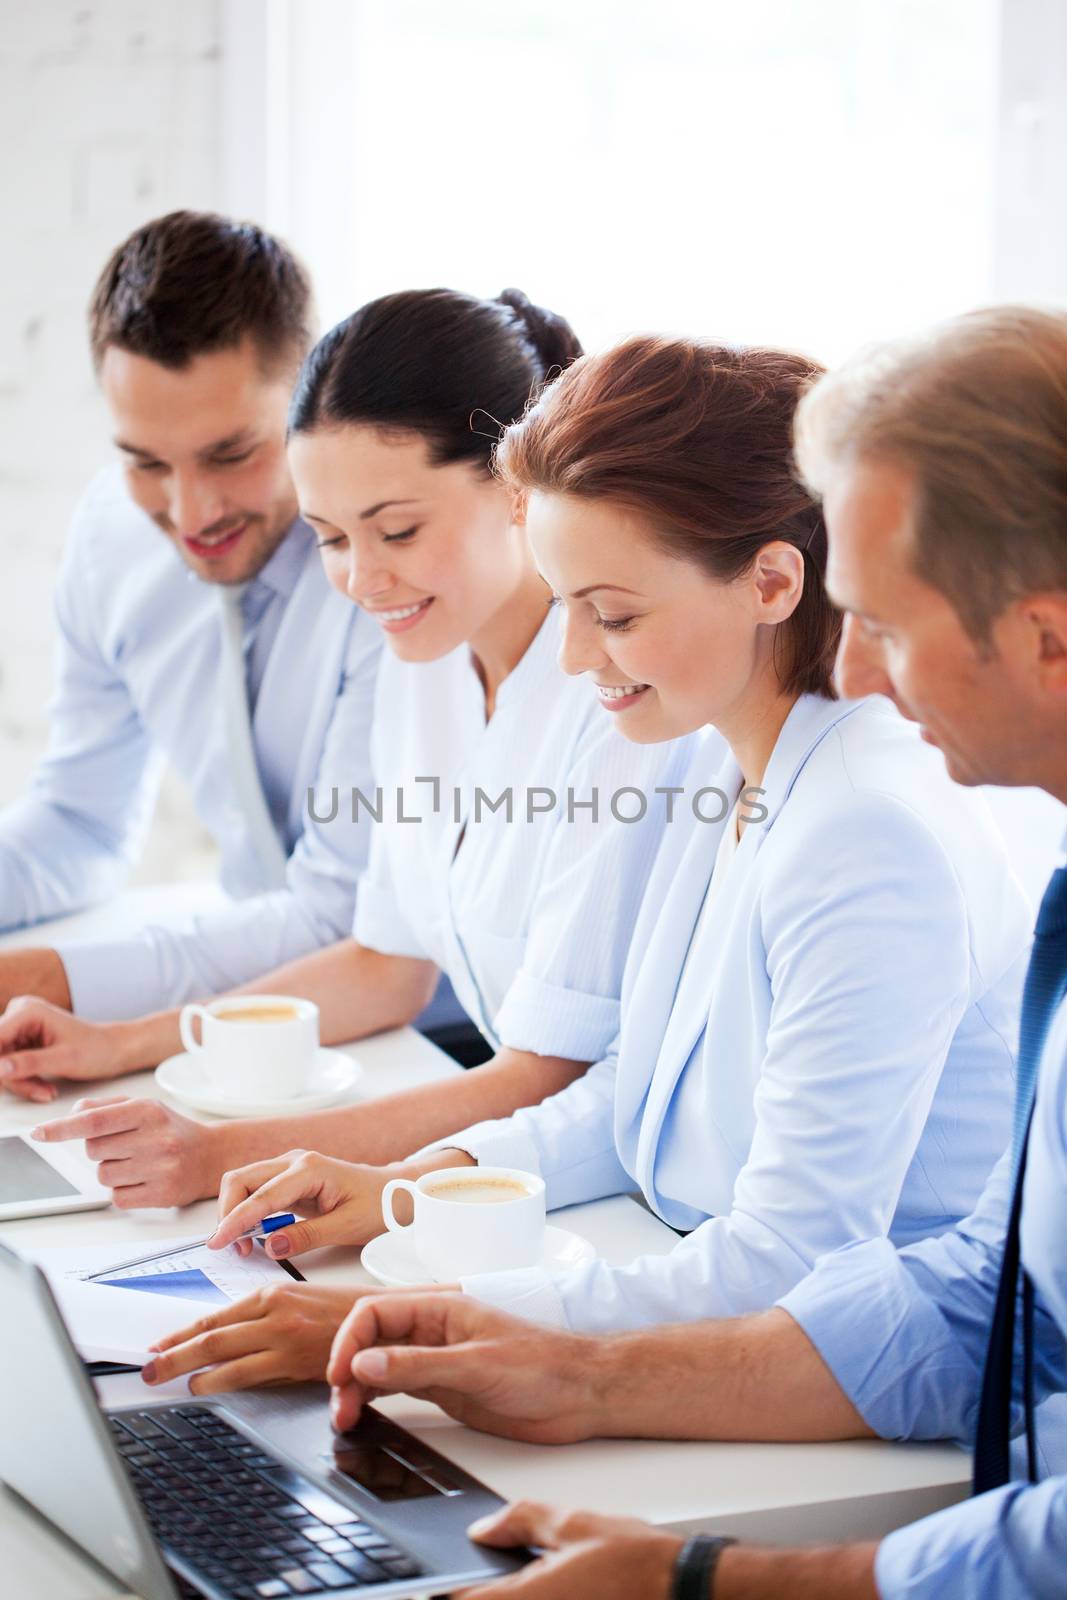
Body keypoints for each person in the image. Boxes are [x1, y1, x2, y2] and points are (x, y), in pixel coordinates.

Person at [304, 307, 1067, 1598]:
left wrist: (694, 1561)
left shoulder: (866, 824)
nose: (860, 675)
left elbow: (814, 1257)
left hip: (895, 1464)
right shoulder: (725, 775)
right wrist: (431, 1206)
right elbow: (982, 1288)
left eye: (877, 622)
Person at [141, 333, 1031, 1390]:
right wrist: (417, 1185)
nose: (571, 657)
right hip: (672, 1272)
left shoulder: (863, 834)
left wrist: (419, 1316)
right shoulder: (716, 753)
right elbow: (632, 1096)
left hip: (847, 1384)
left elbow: (788, 1261)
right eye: (564, 605)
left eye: (610, 614)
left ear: (771, 582)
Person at [13, 290, 693, 1232]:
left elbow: (550, 1071)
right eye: (330, 538)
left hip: (621, 1191)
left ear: (515, 490)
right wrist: (115, 1043)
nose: (361, 580)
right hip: (522, 1168)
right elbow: (385, 962)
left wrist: (218, 1155)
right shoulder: (423, 650)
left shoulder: (615, 693)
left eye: (397, 531)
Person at [0, 211, 383, 1091]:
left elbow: (344, 915)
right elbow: (82, 822)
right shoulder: (111, 538)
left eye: (232, 454)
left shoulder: (387, 568)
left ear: (310, 392)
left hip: (404, 1034)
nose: (190, 512)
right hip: (228, 1020)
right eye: (145, 463)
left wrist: (39, 981)